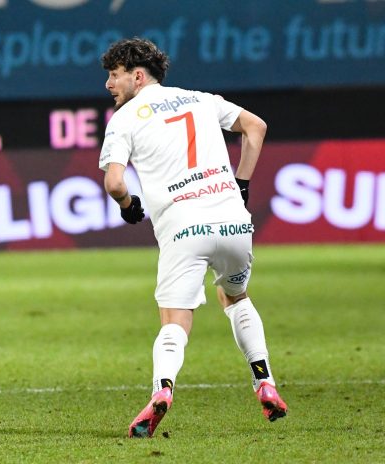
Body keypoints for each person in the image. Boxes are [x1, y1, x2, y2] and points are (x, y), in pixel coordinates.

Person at [98, 37, 288, 438]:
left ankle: (162, 390)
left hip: (184, 228)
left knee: (175, 320)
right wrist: (242, 183)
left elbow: (115, 182)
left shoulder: (125, 118)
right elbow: (256, 127)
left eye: (114, 75)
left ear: (137, 76)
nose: (109, 84)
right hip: (234, 222)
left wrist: (128, 204)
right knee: (235, 297)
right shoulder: (201, 99)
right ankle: (264, 381)